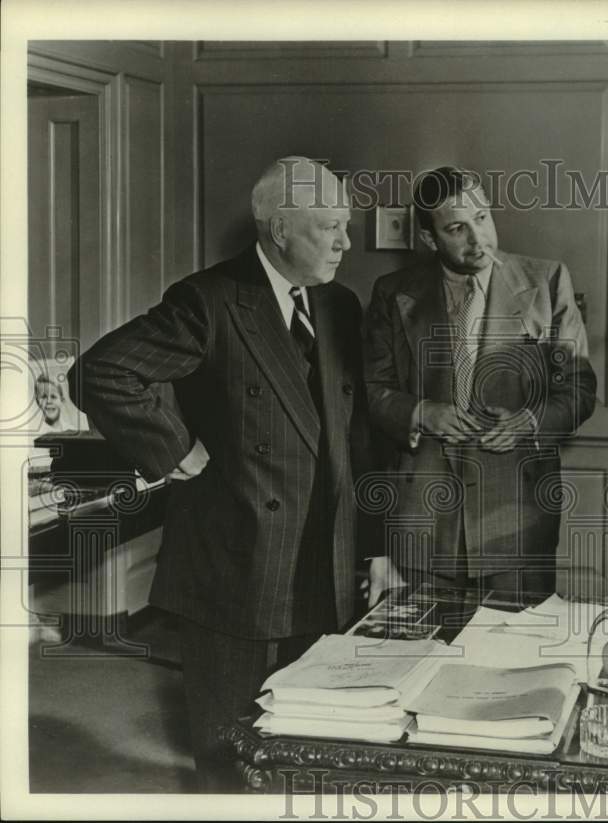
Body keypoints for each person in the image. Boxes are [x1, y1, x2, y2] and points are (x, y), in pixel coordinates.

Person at [69, 156, 384, 791]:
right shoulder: (208, 300)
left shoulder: (340, 305)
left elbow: (357, 440)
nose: (346, 243)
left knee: (304, 743)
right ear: (279, 229)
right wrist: (175, 449)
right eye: (330, 227)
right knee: (227, 753)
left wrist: (374, 548)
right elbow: (99, 371)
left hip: (323, 559)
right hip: (232, 562)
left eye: (346, 225)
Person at [363, 166, 596, 598]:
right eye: (457, 228)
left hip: (517, 523)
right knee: (421, 640)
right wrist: (421, 412)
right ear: (430, 238)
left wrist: (529, 421)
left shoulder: (548, 281)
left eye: (482, 218)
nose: (478, 239)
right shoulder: (392, 292)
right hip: (423, 526)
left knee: (516, 641)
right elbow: (371, 391)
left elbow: (579, 391)